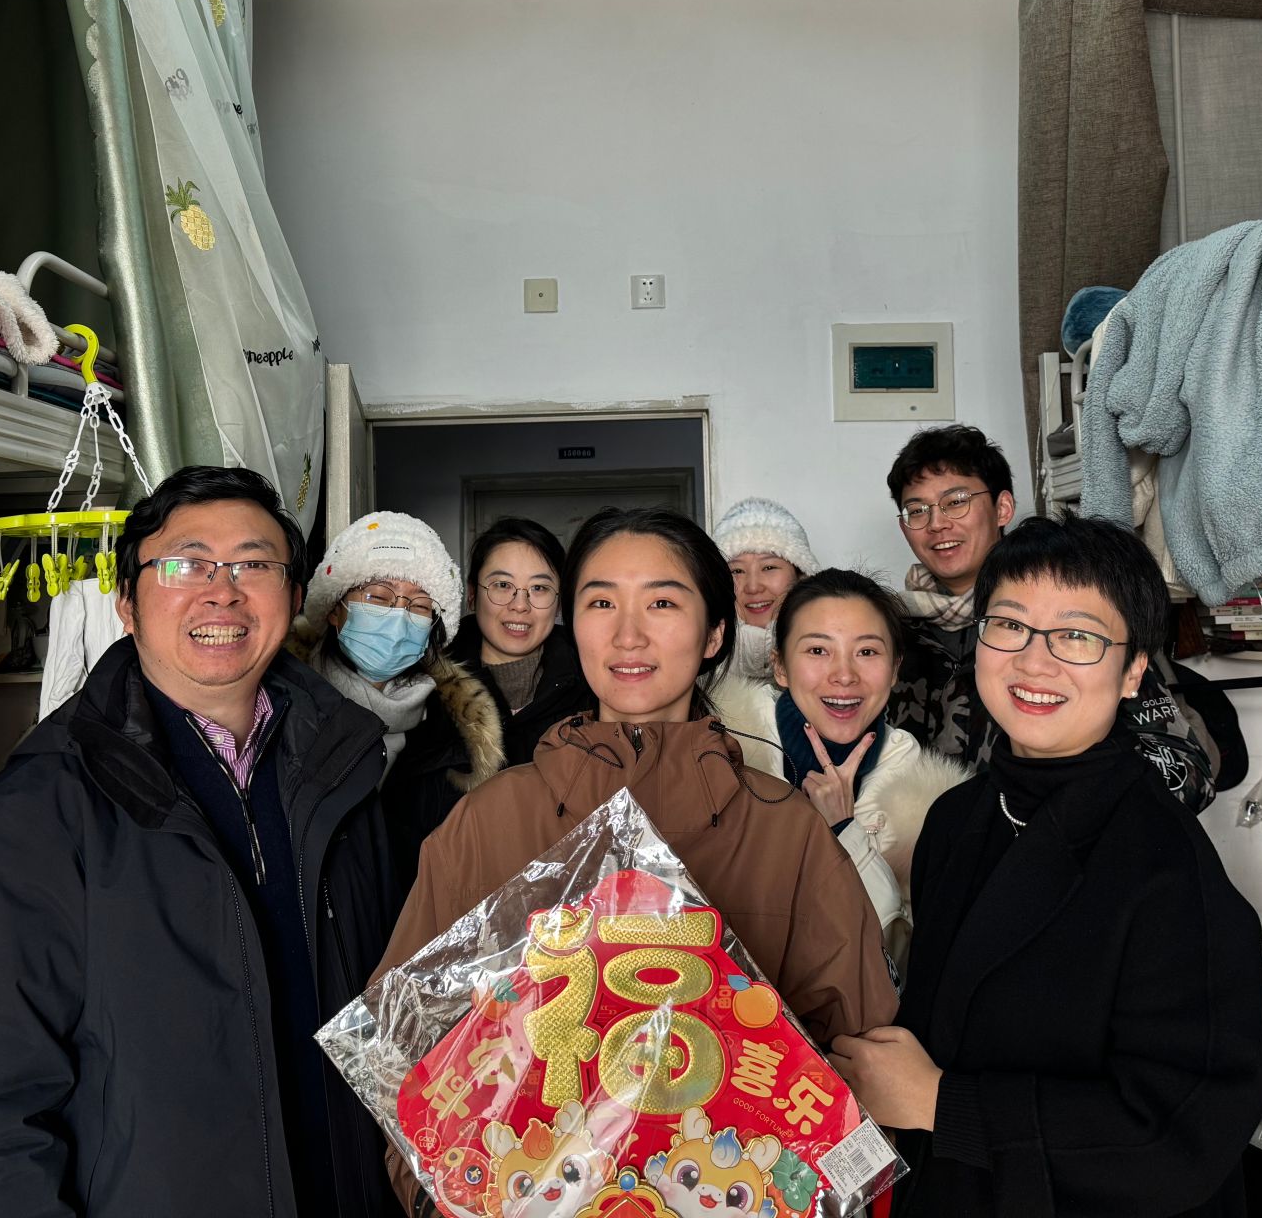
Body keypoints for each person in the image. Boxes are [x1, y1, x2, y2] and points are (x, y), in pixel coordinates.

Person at [375, 506, 898, 1215]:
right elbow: (399, 1049)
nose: (628, 634)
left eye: (662, 603)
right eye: (600, 603)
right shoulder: (487, 819)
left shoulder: (787, 831)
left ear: (714, 633)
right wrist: (443, 1197)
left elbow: (865, 1063)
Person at [0, 466, 396, 1217]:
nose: (222, 592)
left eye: (254, 565)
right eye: (185, 564)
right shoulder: (39, 809)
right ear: (127, 604)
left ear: (295, 596)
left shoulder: (348, 776)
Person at [830, 516, 1262, 1218]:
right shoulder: (956, 820)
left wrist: (945, 1105)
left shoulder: (1167, 869)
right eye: (1009, 625)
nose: (1034, 663)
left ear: (1133, 671)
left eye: (1077, 636)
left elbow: (1176, 1137)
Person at [882, 424, 1219, 810]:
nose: (937, 523)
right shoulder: (891, 632)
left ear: (1003, 508)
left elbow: (1186, 775)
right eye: (917, 510)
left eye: (955, 501)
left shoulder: (1090, 615)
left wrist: (1053, 816)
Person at [711, 567, 969, 960]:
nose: (844, 675)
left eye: (866, 652)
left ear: (895, 668)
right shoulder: (721, 748)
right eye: (818, 651)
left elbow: (893, 958)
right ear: (780, 666)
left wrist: (843, 830)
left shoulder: (921, 792)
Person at [294, 511, 504, 905]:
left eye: (419, 605)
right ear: (335, 609)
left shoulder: (453, 733)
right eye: (378, 597)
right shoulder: (282, 708)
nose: (398, 617)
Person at [447, 514, 588, 764]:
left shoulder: (591, 685)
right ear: (472, 594)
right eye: (502, 585)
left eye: (539, 588)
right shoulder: (425, 687)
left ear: (558, 602)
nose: (520, 605)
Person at [709, 496, 820, 725]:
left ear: (801, 575)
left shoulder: (834, 651)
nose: (753, 587)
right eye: (736, 571)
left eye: (769, 567)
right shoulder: (696, 661)